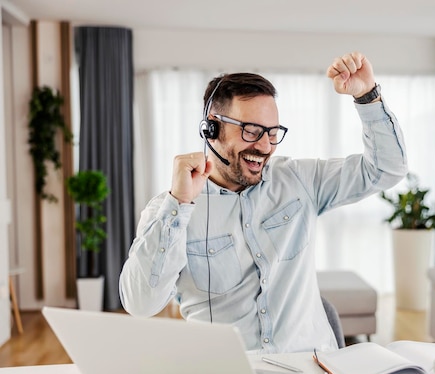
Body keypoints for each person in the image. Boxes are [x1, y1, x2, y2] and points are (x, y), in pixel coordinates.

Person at [119, 51, 408, 353]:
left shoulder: (299, 180)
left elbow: (387, 169)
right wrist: (179, 204)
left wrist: (367, 96)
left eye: (273, 133)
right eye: (252, 131)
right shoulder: (171, 210)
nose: (265, 146)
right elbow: (141, 304)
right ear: (211, 129)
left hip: (311, 369)